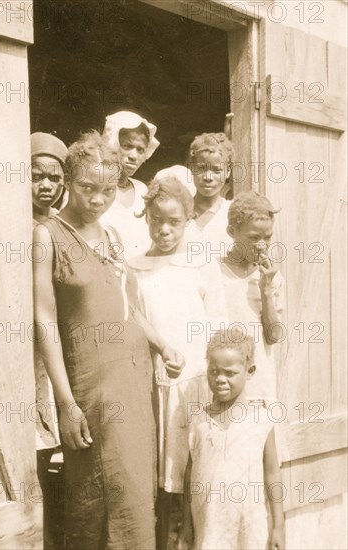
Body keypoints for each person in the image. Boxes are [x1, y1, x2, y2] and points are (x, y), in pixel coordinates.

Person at [33, 131, 184, 550]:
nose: (97, 200)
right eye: (86, 188)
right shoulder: (48, 236)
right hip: (91, 387)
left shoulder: (114, 238)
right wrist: (66, 403)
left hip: (133, 385)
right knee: (93, 501)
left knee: (135, 492)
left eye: (105, 190)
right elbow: (44, 321)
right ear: (67, 180)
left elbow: (128, 308)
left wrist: (161, 343)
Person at [128, 177, 228, 550]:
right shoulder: (135, 267)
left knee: (194, 472)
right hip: (156, 384)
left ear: (188, 218)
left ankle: (192, 540)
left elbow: (219, 324)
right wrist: (157, 353)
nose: (164, 229)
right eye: (156, 220)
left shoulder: (202, 264)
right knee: (158, 474)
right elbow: (134, 320)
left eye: (174, 221)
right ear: (146, 219)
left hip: (197, 383)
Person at [178, 329, 285, 550]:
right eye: (213, 371)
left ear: (250, 371)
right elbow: (190, 476)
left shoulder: (261, 421)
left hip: (249, 526)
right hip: (209, 526)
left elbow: (273, 473)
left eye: (229, 373)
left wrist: (278, 526)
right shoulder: (198, 421)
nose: (220, 379)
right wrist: (187, 526)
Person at [31, 131, 68, 549]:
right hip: (15, 350)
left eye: (54, 178)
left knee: (54, 458)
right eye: (36, 175)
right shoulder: (4, 222)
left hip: (54, 347)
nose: (45, 185)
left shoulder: (62, 227)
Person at [220, 190, 284, 404]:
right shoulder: (214, 273)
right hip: (223, 382)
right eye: (254, 238)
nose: (262, 245)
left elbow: (274, 336)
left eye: (267, 238)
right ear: (232, 232)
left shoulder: (271, 278)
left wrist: (266, 290)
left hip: (260, 383)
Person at [100, 110, 160, 258]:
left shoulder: (142, 190)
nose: (134, 156)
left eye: (140, 150)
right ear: (112, 143)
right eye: (127, 146)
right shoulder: (93, 188)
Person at [188, 132, 234, 258]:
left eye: (216, 170)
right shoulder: (179, 211)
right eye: (201, 168)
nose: (208, 177)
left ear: (228, 171)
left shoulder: (234, 213)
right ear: (192, 168)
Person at [31, 132, 68, 226]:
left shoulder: (63, 222)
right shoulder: (13, 224)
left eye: (55, 178)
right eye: (36, 177)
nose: (46, 186)